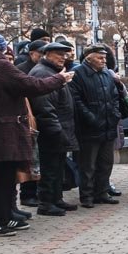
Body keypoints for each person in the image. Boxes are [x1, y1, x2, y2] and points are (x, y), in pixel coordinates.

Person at [0, 31, 72, 237]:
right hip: (4, 129)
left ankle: (6, 216)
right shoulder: (0, 65)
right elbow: (32, 85)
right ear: (1, 47)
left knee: (2, 176)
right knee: (1, 178)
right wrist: (60, 78)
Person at [70, 44, 127, 208]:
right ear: (89, 57)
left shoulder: (106, 74)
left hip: (108, 125)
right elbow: (77, 101)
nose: (104, 60)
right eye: (100, 57)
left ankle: (102, 192)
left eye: (104, 57)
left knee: (106, 163)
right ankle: (87, 196)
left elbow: (115, 97)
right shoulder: (78, 74)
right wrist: (91, 118)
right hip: (89, 128)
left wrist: (115, 115)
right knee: (88, 165)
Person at [28, 42, 80, 215]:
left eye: (65, 55)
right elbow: (44, 108)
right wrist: (56, 131)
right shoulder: (43, 73)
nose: (63, 58)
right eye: (59, 54)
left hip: (60, 128)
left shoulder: (53, 72)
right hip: (51, 131)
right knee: (49, 168)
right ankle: (46, 203)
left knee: (57, 168)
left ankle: (56, 199)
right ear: (47, 54)